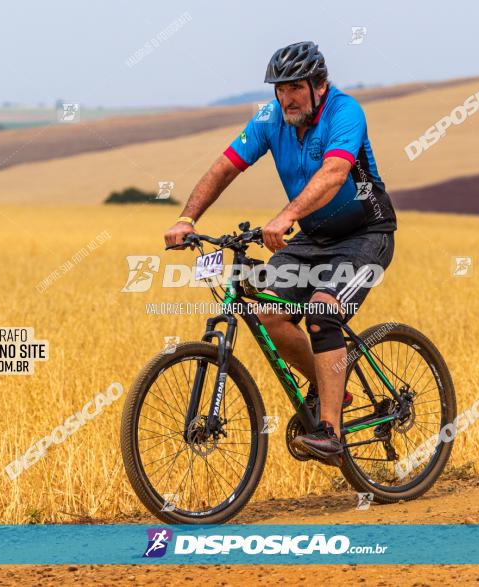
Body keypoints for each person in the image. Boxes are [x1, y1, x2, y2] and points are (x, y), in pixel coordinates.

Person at [164, 41, 396, 461]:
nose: (285, 97)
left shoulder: (345, 112)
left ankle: (331, 433)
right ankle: (334, 393)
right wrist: (187, 219)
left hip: (365, 235)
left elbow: (334, 173)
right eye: (279, 88)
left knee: (324, 313)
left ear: (318, 85)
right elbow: (224, 167)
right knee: (266, 309)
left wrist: (286, 216)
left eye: (294, 87)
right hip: (312, 238)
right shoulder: (271, 119)